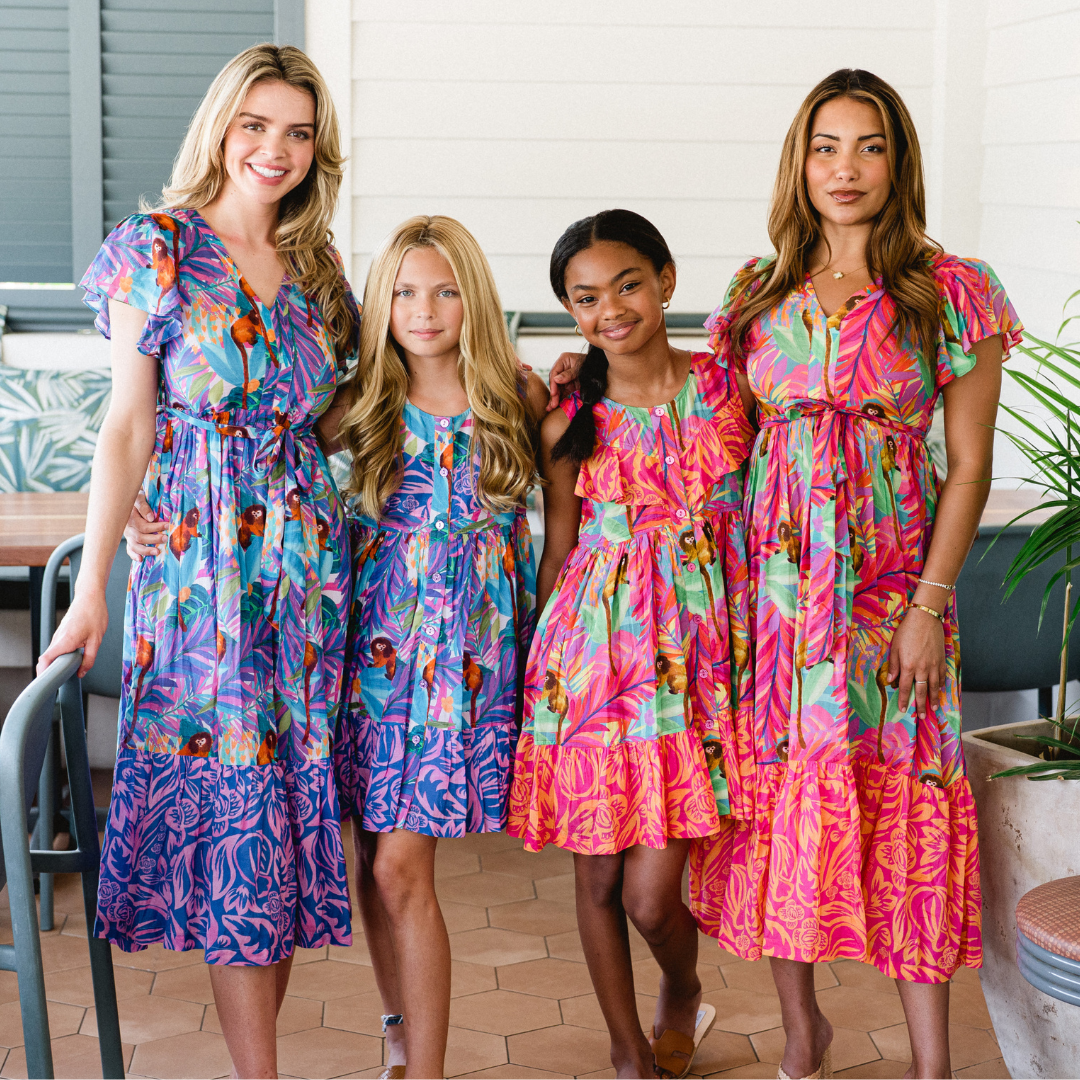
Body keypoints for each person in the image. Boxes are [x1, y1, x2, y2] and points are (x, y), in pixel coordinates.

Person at [549, 70, 1021, 1080]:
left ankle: (931, 1064)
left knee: (907, 807)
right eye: (825, 147)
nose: (845, 169)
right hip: (771, 606)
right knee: (783, 817)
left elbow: (970, 465)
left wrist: (932, 606)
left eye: (869, 146)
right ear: (798, 165)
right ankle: (802, 1034)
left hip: (892, 594)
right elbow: (683, 394)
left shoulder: (951, 290)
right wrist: (573, 371)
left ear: (900, 163)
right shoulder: (755, 295)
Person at [40, 43, 359, 1080]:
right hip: (201, 575)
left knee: (283, 817)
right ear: (221, 127)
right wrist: (94, 587)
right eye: (256, 125)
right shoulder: (160, 246)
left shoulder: (319, 271)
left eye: (299, 132)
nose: (276, 149)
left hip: (307, 573)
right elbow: (128, 425)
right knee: (236, 816)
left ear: (319, 149)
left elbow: (341, 413)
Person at [510, 210, 755, 1079]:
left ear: (666, 281)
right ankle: (627, 1054)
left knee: (654, 898)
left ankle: (682, 988)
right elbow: (558, 547)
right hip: (588, 665)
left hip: (697, 667)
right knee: (598, 882)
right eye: (584, 298)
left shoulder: (731, 389)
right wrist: (533, 673)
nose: (609, 308)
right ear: (570, 313)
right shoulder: (569, 413)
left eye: (627, 285)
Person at [333, 215, 547, 1079]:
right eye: (407, 292)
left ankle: (425, 1067)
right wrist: (143, 498)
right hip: (371, 657)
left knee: (398, 864)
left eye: (446, 290)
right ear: (382, 302)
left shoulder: (519, 398)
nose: (425, 310)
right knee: (374, 858)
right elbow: (258, 464)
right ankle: (397, 1023)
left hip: (466, 667)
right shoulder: (359, 403)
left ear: (475, 299)